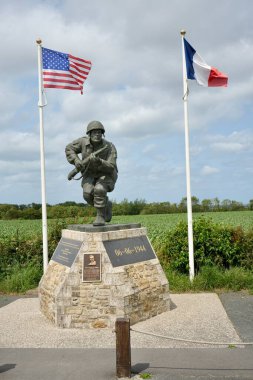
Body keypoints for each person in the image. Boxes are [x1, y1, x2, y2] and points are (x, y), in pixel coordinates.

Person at [65, 121, 118, 226]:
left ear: (102, 134)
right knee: (87, 194)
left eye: (99, 132)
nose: (97, 134)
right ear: (89, 134)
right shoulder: (82, 142)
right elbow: (69, 148)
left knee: (99, 189)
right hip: (89, 173)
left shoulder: (110, 146)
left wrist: (100, 162)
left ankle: (100, 216)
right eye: (94, 132)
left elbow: (111, 166)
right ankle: (105, 205)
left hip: (106, 174)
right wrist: (76, 161)